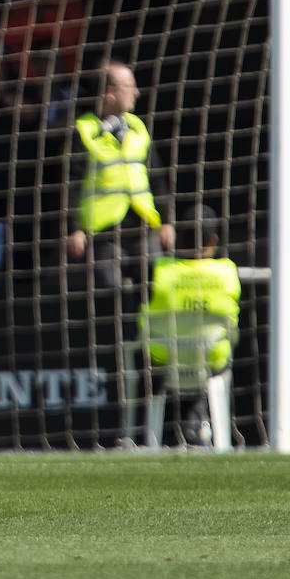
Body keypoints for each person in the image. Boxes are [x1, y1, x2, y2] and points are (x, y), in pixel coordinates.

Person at [64, 60, 174, 446]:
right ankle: (117, 358)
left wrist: (166, 221)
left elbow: (157, 177)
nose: (137, 93)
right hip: (103, 230)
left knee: (154, 286)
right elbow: (70, 181)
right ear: (109, 93)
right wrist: (73, 227)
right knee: (110, 293)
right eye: (130, 87)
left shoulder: (141, 129)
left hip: (141, 224)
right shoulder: (83, 130)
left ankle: (148, 351)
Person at [138, 205, 240, 451]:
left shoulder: (161, 270)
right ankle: (197, 428)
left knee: (174, 350)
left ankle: (173, 431)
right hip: (210, 360)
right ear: (214, 239)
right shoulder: (227, 271)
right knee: (207, 353)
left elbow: (142, 322)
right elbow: (233, 326)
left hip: (164, 360)